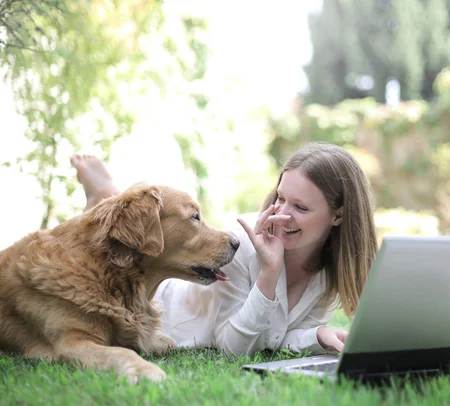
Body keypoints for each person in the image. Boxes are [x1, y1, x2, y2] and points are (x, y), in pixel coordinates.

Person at [70, 142, 378, 356]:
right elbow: (232, 347)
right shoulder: (241, 243)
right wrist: (270, 273)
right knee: (96, 249)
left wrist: (318, 336)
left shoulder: (331, 270)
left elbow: (276, 338)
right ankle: (107, 195)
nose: (282, 214)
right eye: (280, 198)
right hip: (160, 305)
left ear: (338, 215)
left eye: (300, 207)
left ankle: (106, 196)